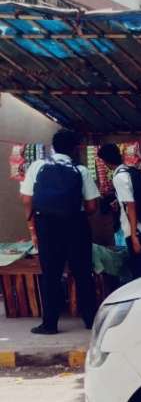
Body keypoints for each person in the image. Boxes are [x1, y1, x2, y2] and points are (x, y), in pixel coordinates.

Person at [20, 130, 100, 335]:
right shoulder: (80, 170)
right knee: (83, 273)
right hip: (76, 225)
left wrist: (33, 227)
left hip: (46, 225)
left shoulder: (37, 166)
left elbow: (27, 199)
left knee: (51, 274)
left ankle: (49, 324)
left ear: (52, 146)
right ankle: (90, 320)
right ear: (74, 149)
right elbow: (91, 206)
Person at [99, 143, 141, 279]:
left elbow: (131, 206)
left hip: (136, 230)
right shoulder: (129, 171)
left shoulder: (119, 177)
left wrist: (134, 237)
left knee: (139, 270)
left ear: (106, 162)